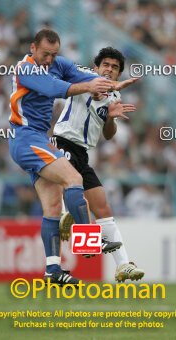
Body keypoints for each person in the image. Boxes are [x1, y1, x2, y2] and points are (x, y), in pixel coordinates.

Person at [8, 29, 137, 286]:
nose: (49, 60)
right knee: (74, 179)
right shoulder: (26, 68)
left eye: (54, 54)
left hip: (40, 140)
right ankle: (88, 237)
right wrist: (91, 86)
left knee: (52, 207)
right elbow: (55, 88)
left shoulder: (59, 63)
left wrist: (108, 86)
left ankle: (53, 270)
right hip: (26, 138)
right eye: (45, 54)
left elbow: (81, 76)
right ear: (33, 48)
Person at [51, 47, 145, 282]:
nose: (110, 69)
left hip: (83, 152)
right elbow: (71, 81)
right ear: (96, 66)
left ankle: (122, 265)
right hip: (63, 141)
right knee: (73, 190)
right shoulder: (82, 74)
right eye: (106, 65)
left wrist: (111, 118)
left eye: (115, 67)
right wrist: (96, 88)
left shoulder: (114, 97)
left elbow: (109, 135)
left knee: (102, 206)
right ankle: (68, 217)